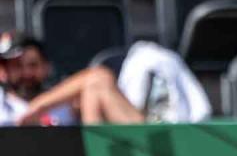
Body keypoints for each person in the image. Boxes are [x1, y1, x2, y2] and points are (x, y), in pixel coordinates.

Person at [18, 41, 210, 126]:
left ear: (47, 67)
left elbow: (97, 78)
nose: (26, 73)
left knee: (95, 86)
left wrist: (38, 106)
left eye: (33, 65)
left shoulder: (58, 99)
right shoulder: (7, 106)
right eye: (16, 66)